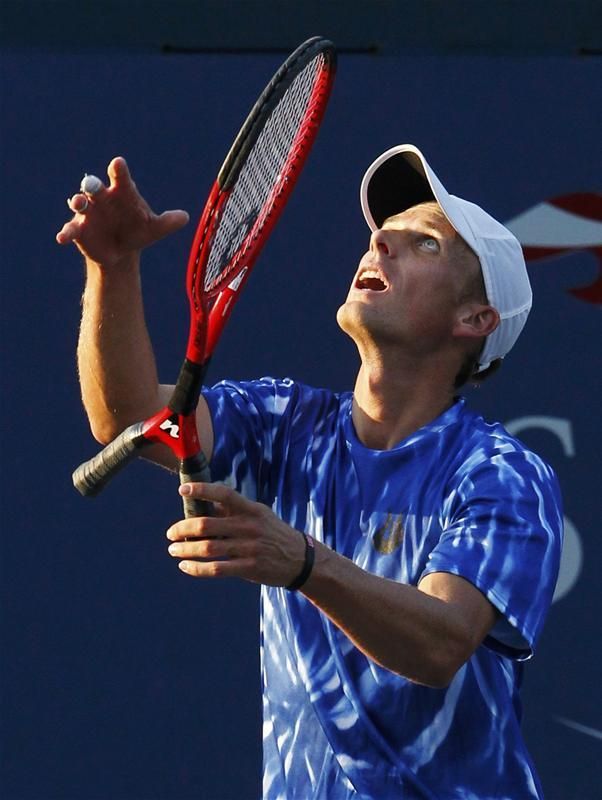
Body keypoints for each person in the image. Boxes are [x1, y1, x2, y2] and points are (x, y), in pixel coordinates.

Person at [57, 144, 563, 800]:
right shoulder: (287, 423)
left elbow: (440, 645)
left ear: (475, 319)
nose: (380, 240)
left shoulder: (502, 473)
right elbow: (127, 415)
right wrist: (113, 266)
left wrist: (300, 562)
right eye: (384, 232)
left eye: (426, 245)